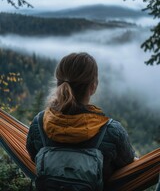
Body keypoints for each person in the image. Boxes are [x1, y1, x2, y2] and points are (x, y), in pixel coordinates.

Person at [26, 52, 135, 190]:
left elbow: (33, 156)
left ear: (59, 83)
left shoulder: (39, 124)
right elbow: (129, 165)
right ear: (93, 87)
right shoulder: (112, 131)